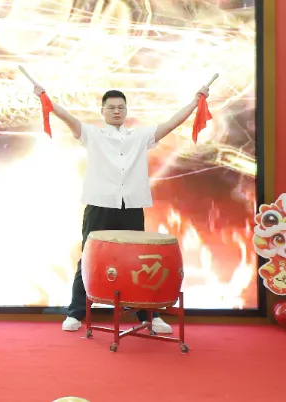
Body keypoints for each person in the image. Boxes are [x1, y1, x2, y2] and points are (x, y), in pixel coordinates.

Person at [35, 85, 211, 333]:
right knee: (89, 258)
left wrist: (195, 102)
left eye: (120, 107)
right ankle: (75, 313)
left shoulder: (139, 136)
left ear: (126, 111)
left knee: (138, 261)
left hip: (131, 206)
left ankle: (149, 316)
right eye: (111, 108)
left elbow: (172, 124)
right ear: (103, 111)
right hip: (100, 205)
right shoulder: (92, 134)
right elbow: (68, 118)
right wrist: (45, 98)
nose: (116, 111)